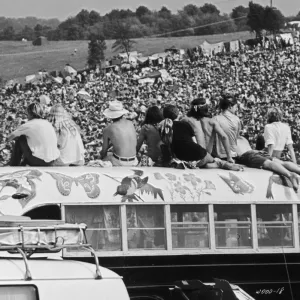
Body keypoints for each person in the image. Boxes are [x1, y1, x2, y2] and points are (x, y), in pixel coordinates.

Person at [160, 104, 242, 170]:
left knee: (205, 165)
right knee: (209, 161)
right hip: (199, 153)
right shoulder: (186, 123)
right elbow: (194, 141)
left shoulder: (163, 127)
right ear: (177, 114)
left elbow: (165, 146)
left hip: (183, 157)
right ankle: (222, 163)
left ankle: (219, 163)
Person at [186, 98, 234, 163]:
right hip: (206, 156)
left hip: (191, 156)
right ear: (206, 109)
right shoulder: (211, 122)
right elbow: (224, 137)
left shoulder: (187, 120)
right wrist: (229, 157)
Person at [100, 101, 138, 166]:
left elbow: (104, 151)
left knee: (102, 160)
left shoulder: (108, 129)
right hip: (134, 160)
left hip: (120, 162)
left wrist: (101, 157)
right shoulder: (130, 123)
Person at [213, 95, 241, 160]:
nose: (236, 109)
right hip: (233, 154)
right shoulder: (237, 119)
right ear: (230, 107)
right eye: (236, 107)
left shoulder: (215, 119)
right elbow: (237, 137)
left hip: (220, 154)